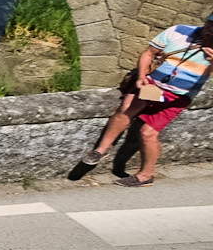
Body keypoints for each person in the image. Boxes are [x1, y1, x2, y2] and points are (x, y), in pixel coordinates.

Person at [79, 19, 211, 186]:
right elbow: (148, 54)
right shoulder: (179, 31)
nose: (210, 31)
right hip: (153, 86)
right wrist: (142, 76)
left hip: (177, 97)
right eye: (210, 25)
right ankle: (100, 151)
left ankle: (146, 175)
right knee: (128, 105)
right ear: (206, 22)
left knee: (147, 133)